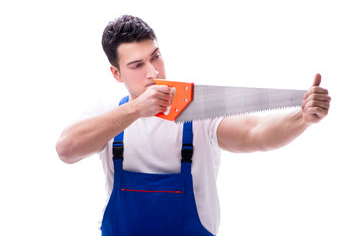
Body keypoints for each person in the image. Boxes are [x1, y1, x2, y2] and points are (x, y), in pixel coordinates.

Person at [56, 15, 331, 236]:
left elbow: (254, 133)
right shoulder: (107, 115)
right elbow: (66, 149)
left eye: (155, 56)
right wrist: (137, 109)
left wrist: (302, 118)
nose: (153, 72)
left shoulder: (196, 113)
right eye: (137, 65)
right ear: (116, 73)